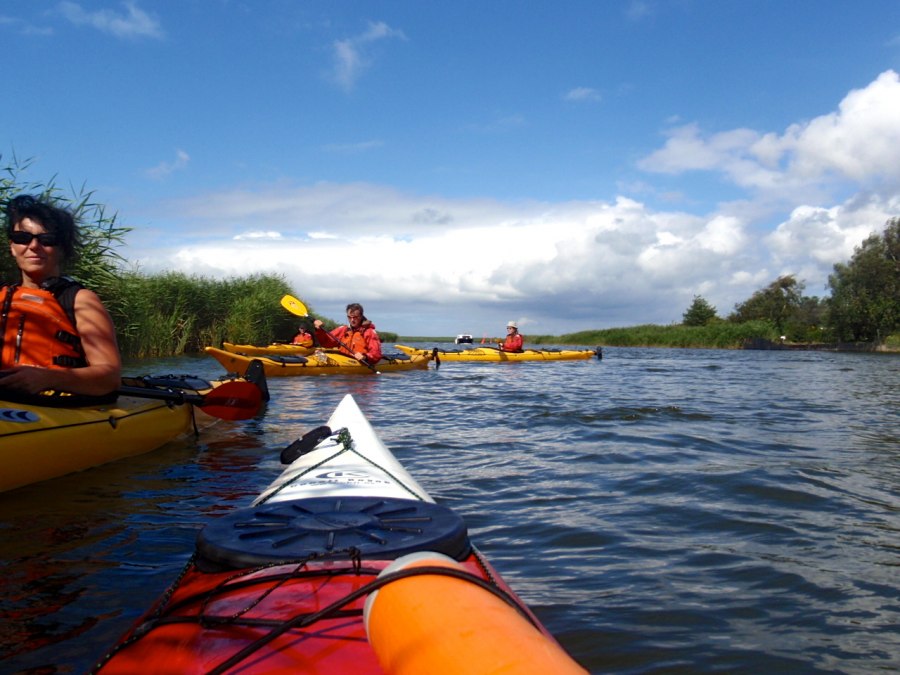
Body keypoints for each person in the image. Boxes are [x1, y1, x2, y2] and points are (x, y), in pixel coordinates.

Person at [0, 194, 121, 397]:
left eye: (47, 240)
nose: (33, 246)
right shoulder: (3, 296)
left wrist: (47, 378)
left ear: (62, 248)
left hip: (55, 404)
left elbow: (109, 378)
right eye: (22, 238)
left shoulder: (80, 300)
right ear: (12, 246)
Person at [313, 302, 382, 364]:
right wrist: (319, 330)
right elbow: (326, 343)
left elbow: (376, 354)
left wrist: (365, 357)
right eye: (349, 317)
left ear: (361, 316)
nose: (352, 320)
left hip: (361, 363)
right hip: (343, 361)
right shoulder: (343, 329)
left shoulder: (369, 332)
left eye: (355, 317)